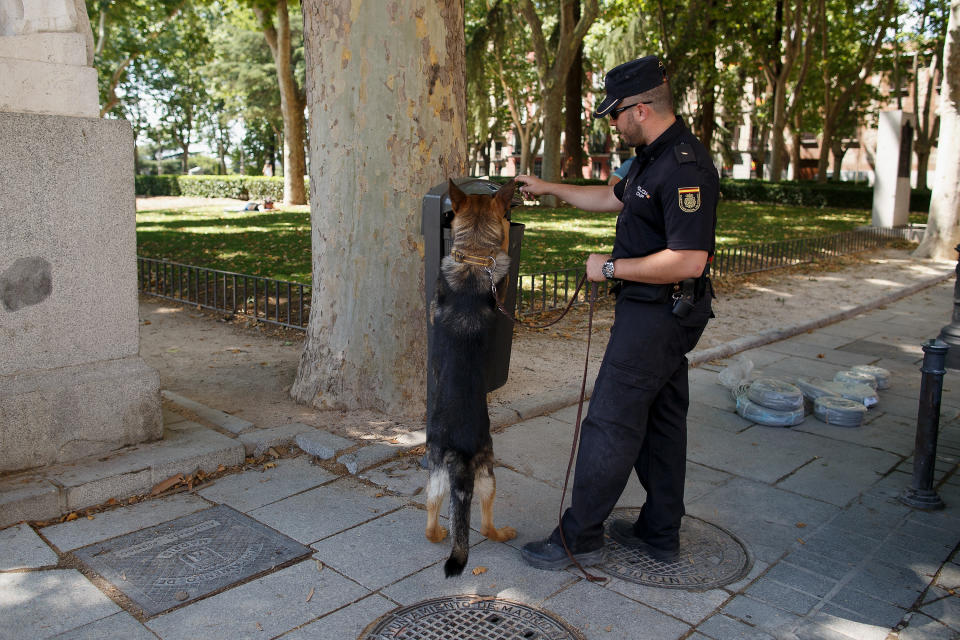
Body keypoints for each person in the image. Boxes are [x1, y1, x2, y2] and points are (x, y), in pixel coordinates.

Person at [514, 55, 718, 569]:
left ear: (641, 109)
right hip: (660, 316)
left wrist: (610, 269)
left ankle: (578, 536)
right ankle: (659, 531)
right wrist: (549, 189)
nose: (611, 122)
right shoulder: (654, 156)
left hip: (657, 317)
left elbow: (688, 259)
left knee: (610, 420)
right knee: (664, 421)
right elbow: (614, 197)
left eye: (614, 113)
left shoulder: (684, 166)